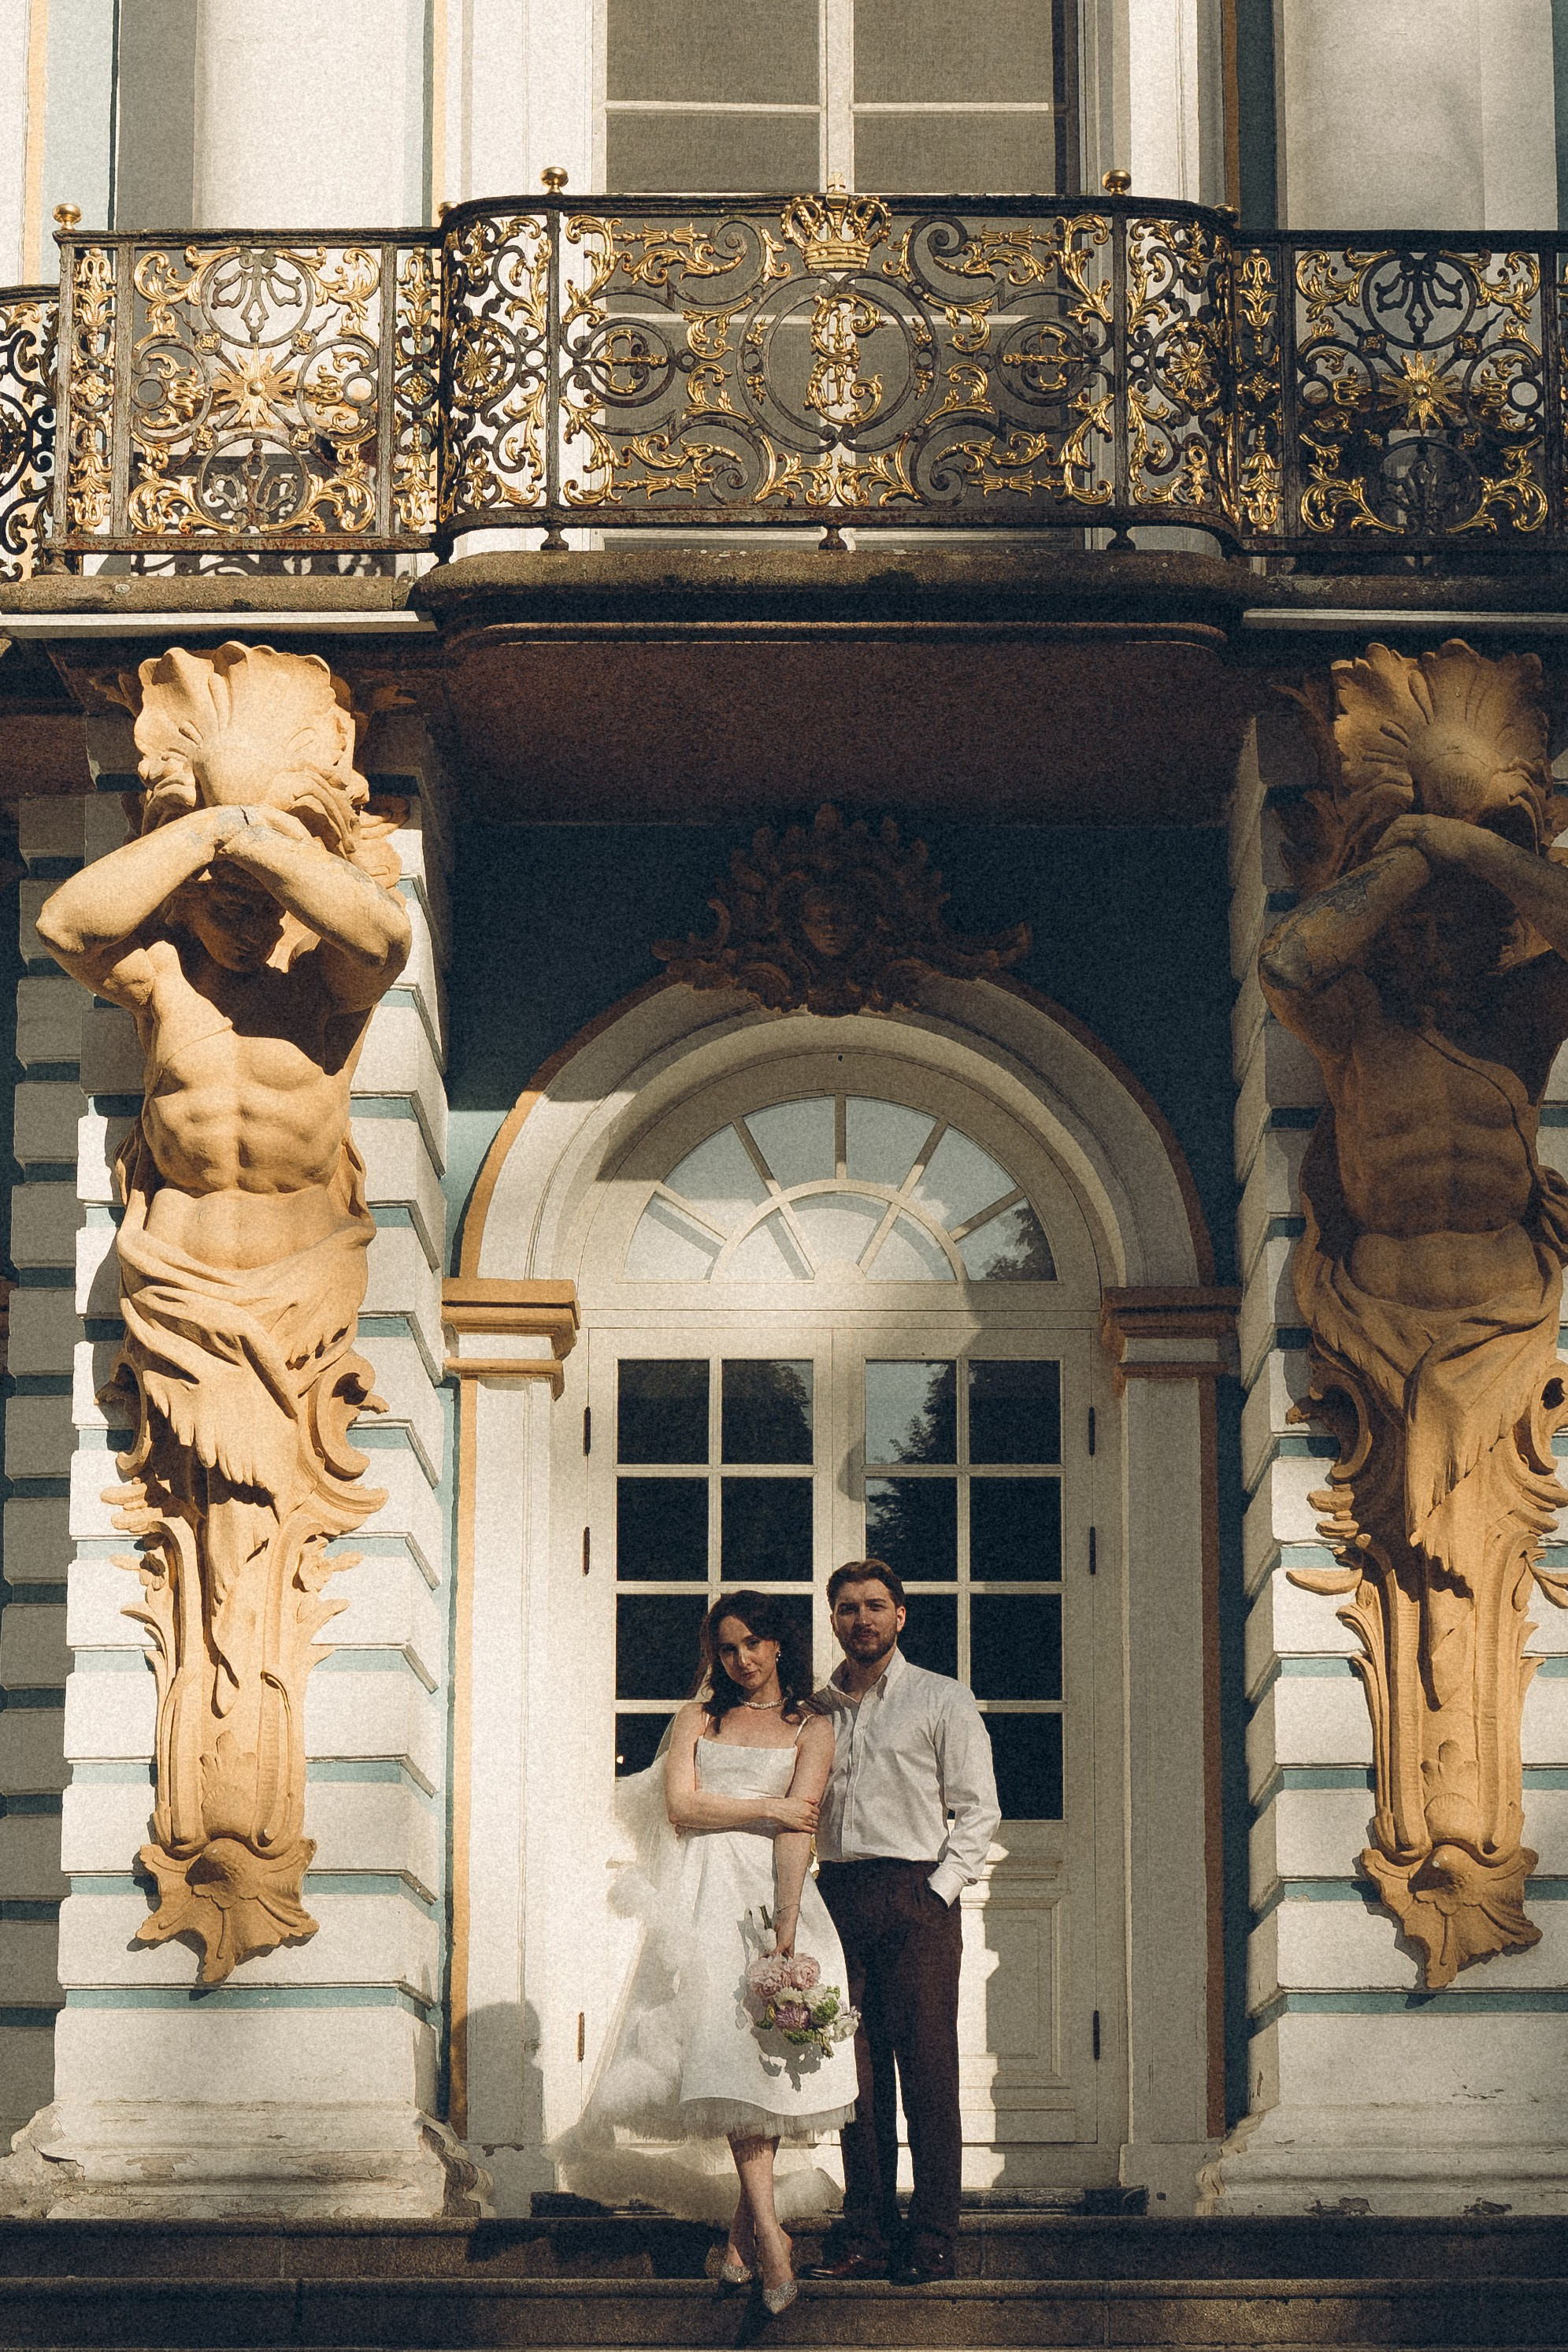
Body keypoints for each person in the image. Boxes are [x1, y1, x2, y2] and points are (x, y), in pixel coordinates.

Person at [554, 1593, 858, 2313]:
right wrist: (768, 1806)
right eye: (728, 1648)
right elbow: (682, 1808)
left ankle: (738, 2244)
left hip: (769, 1898)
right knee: (722, 2059)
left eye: (754, 1643)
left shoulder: (811, 1728)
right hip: (701, 1900)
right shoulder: (700, 1718)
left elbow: (800, 1828)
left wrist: (786, 1928)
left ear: (779, 1644)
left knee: (759, 2066)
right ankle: (770, 2240)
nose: (743, 1659)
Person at [810, 1559, 999, 2287]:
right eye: (849, 1608)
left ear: (901, 1616)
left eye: (876, 1606)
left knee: (925, 2070)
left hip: (914, 1897)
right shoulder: (815, 1709)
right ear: (834, 1619)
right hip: (839, 1898)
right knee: (852, 2080)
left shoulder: (939, 1698)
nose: (862, 1619)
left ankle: (931, 2235)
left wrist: (939, 1891)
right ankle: (866, 2235)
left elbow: (977, 1808)